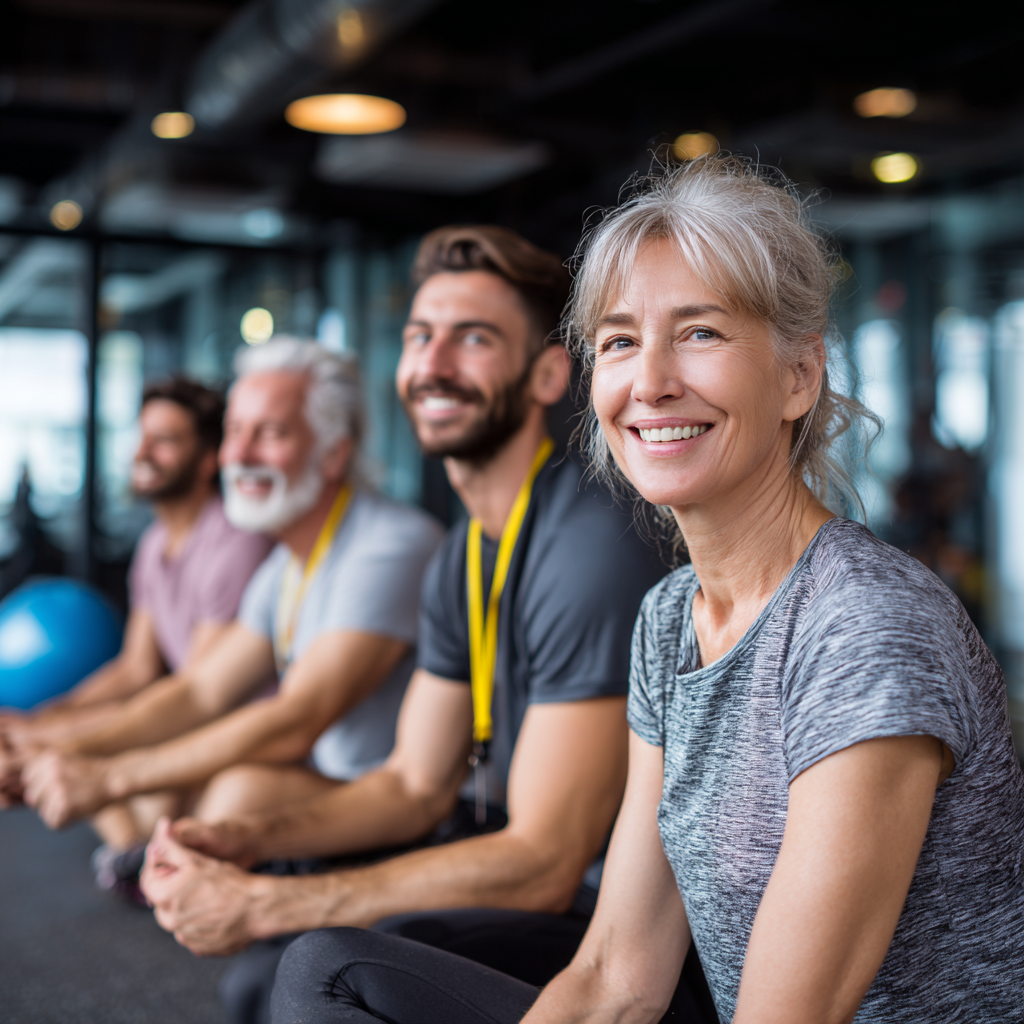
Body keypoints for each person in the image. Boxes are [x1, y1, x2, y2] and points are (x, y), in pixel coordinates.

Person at [269, 159, 1024, 1024]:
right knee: (329, 971)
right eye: (621, 341)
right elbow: (616, 980)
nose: (651, 381)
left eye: (700, 333)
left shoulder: (866, 625)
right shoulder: (671, 619)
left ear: (798, 377)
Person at [139, 226, 696, 1024]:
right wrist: (247, 842)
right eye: (419, 337)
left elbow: (545, 860)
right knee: (265, 974)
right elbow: (412, 782)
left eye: (472, 340)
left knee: (308, 967)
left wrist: (267, 901)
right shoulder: (463, 552)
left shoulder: (590, 543)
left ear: (546, 374)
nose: (433, 365)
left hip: (630, 943)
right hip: (539, 893)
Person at [19, 339, 443, 868]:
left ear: (334, 454)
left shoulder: (389, 545)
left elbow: (297, 718)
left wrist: (110, 773)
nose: (239, 456)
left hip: (410, 812)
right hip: (331, 781)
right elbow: (199, 690)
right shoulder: (285, 565)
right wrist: (58, 748)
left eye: (270, 433)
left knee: (238, 792)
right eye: (235, 432)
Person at [0, 378, 272, 853]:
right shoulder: (152, 546)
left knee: (137, 788)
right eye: (142, 437)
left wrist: (43, 739)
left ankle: (134, 851)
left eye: (164, 441)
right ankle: (131, 857)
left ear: (209, 459)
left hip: (234, 731)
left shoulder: (235, 542)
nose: (143, 451)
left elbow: (195, 698)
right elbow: (136, 668)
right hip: (185, 712)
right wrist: (41, 718)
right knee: (86, 773)